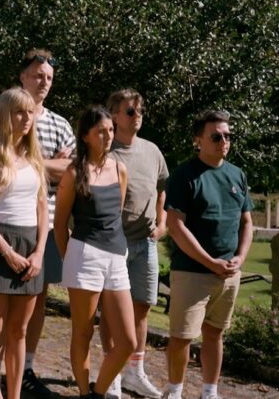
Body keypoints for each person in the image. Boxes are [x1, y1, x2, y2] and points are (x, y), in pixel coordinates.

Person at [162, 110, 253, 399]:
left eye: (227, 135)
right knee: (182, 337)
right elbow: (175, 226)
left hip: (228, 274)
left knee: (214, 333)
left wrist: (240, 257)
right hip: (192, 272)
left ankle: (209, 392)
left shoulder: (237, 174)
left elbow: (246, 222)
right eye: (216, 136)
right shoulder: (184, 175)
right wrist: (209, 262)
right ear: (198, 140)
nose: (223, 141)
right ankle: (174, 391)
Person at [54, 106, 136, 399]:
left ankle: (97, 392)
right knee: (83, 332)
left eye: (111, 130)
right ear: (86, 136)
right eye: (101, 131)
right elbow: (59, 224)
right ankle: (83, 392)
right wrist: (71, 260)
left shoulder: (119, 169)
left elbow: (116, 215)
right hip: (84, 255)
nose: (108, 135)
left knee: (128, 341)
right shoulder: (74, 172)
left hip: (116, 256)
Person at [0, 87, 48, 399]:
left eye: (30, 112)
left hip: (31, 247)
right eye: (19, 111)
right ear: (5, 115)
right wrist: (6, 251)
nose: (26, 118)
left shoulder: (35, 159)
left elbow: (42, 209)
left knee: (19, 330)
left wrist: (40, 252)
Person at [99, 89, 168, 399]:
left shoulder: (152, 150)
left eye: (140, 110)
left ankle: (134, 373)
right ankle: (111, 373)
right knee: (111, 311)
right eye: (130, 111)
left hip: (146, 243)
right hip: (114, 243)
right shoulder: (106, 151)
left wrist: (162, 223)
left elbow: (161, 188)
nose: (137, 115)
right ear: (114, 115)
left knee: (142, 308)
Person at [18, 49, 75, 398]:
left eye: (49, 78)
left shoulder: (61, 124)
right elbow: (5, 162)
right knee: (8, 300)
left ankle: (25, 368)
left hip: (50, 224)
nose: (44, 82)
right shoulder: (8, 114)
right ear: (23, 77)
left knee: (38, 298)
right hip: (13, 220)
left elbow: (72, 172)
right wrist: (48, 164)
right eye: (38, 75)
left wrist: (32, 161)